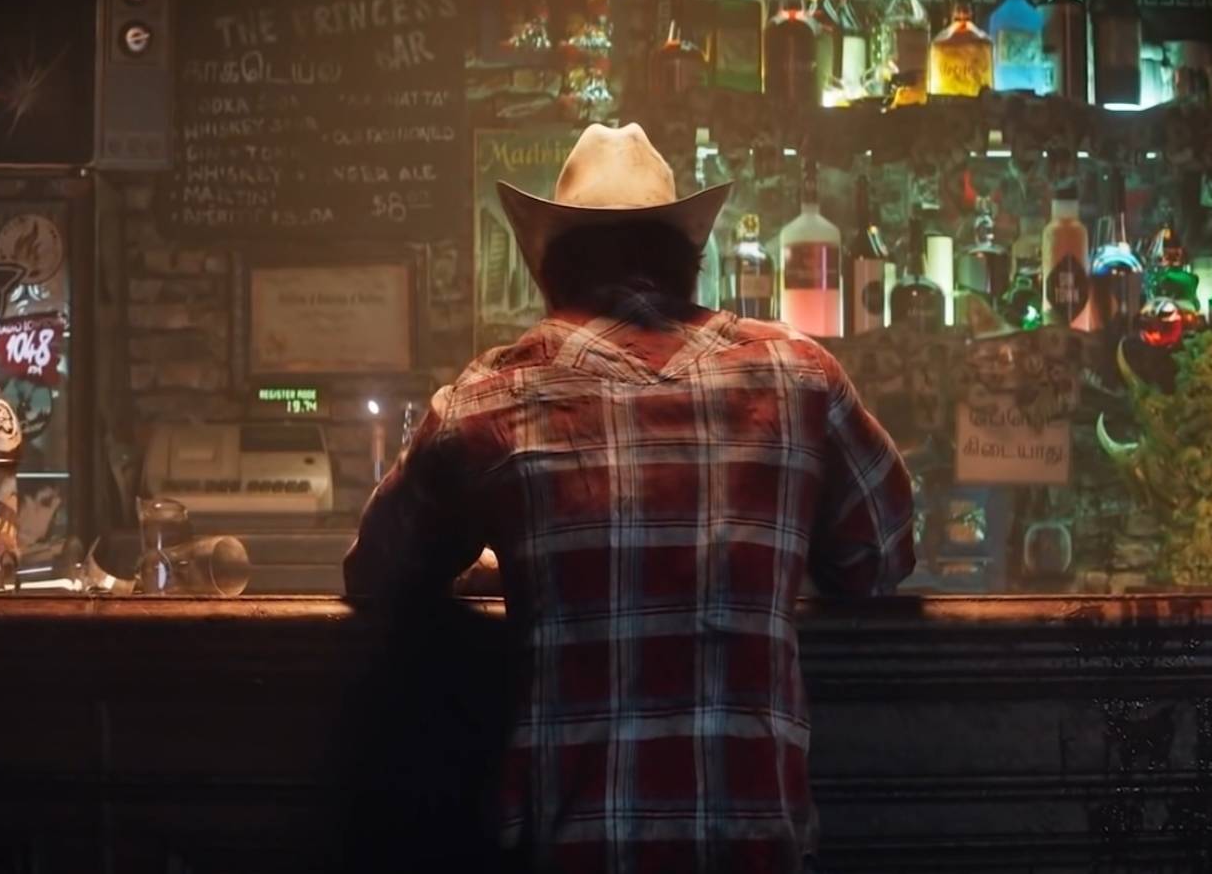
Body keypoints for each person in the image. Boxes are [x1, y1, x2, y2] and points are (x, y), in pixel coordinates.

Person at [345, 123, 915, 873]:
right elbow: (880, 557)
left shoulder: (487, 400)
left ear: (549, 271)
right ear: (690, 264)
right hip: (755, 852)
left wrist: (501, 564)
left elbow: (377, 574)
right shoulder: (800, 376)